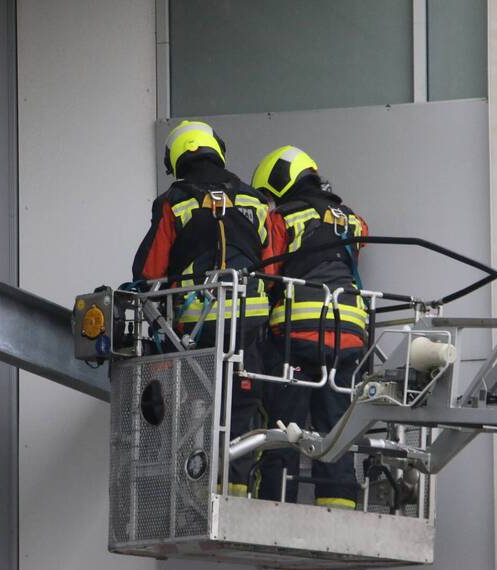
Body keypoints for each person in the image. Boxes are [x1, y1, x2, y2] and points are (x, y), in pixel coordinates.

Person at [131, 120, 272, 495]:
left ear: (177, 158)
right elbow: (272, 266)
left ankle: (192, 487)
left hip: (198, 325)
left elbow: (149, 271)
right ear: (216, 149)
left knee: (194, 404)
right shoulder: (255, 201)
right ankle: (236, 492)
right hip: (249, 321)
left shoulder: (173, 203)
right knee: (242, 405)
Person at [250, 145, 368, 509]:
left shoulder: (282, 220)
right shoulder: (352, 220)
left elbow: (268, 274)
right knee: (336, 426)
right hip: (349, 334)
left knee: (285, 424)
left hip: (297, 336)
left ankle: (275, 501)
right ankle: (339, 504)